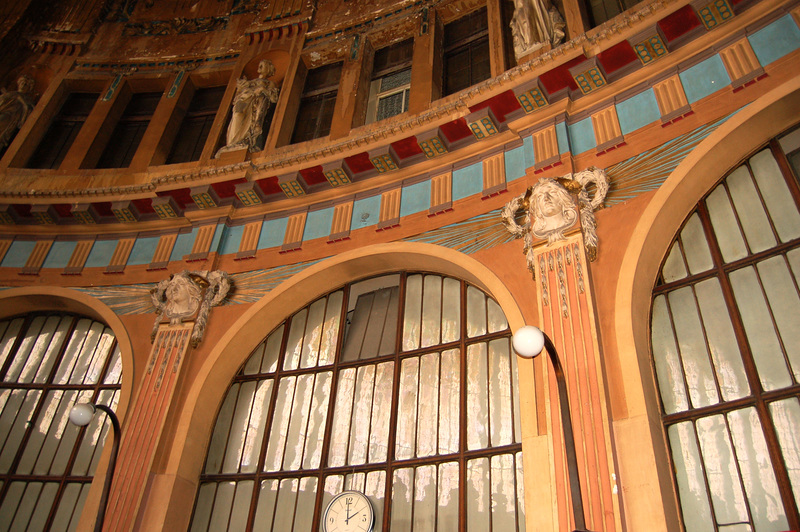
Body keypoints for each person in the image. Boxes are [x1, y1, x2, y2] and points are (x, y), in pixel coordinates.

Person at [218, 59, 279, 154]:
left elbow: (273, 98)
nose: (259, 67)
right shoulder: (251, 82)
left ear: (268, 68)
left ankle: (247, 140)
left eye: (262, 65)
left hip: (256, 104)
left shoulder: (269, 83)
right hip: (244, 100)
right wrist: (242, 86)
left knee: (254, 123)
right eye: (259, 65)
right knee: (237, 116)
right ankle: (232, 143)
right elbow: (239, 93)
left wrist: (262, 89)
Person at [0, 76, 35, 153]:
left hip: (11, 119)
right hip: (4, 114)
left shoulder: (28, 100)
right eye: (22, 83)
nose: (23, 85)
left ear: (29, 88)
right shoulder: (12, 93)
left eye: (26, 85)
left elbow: (29, 109)